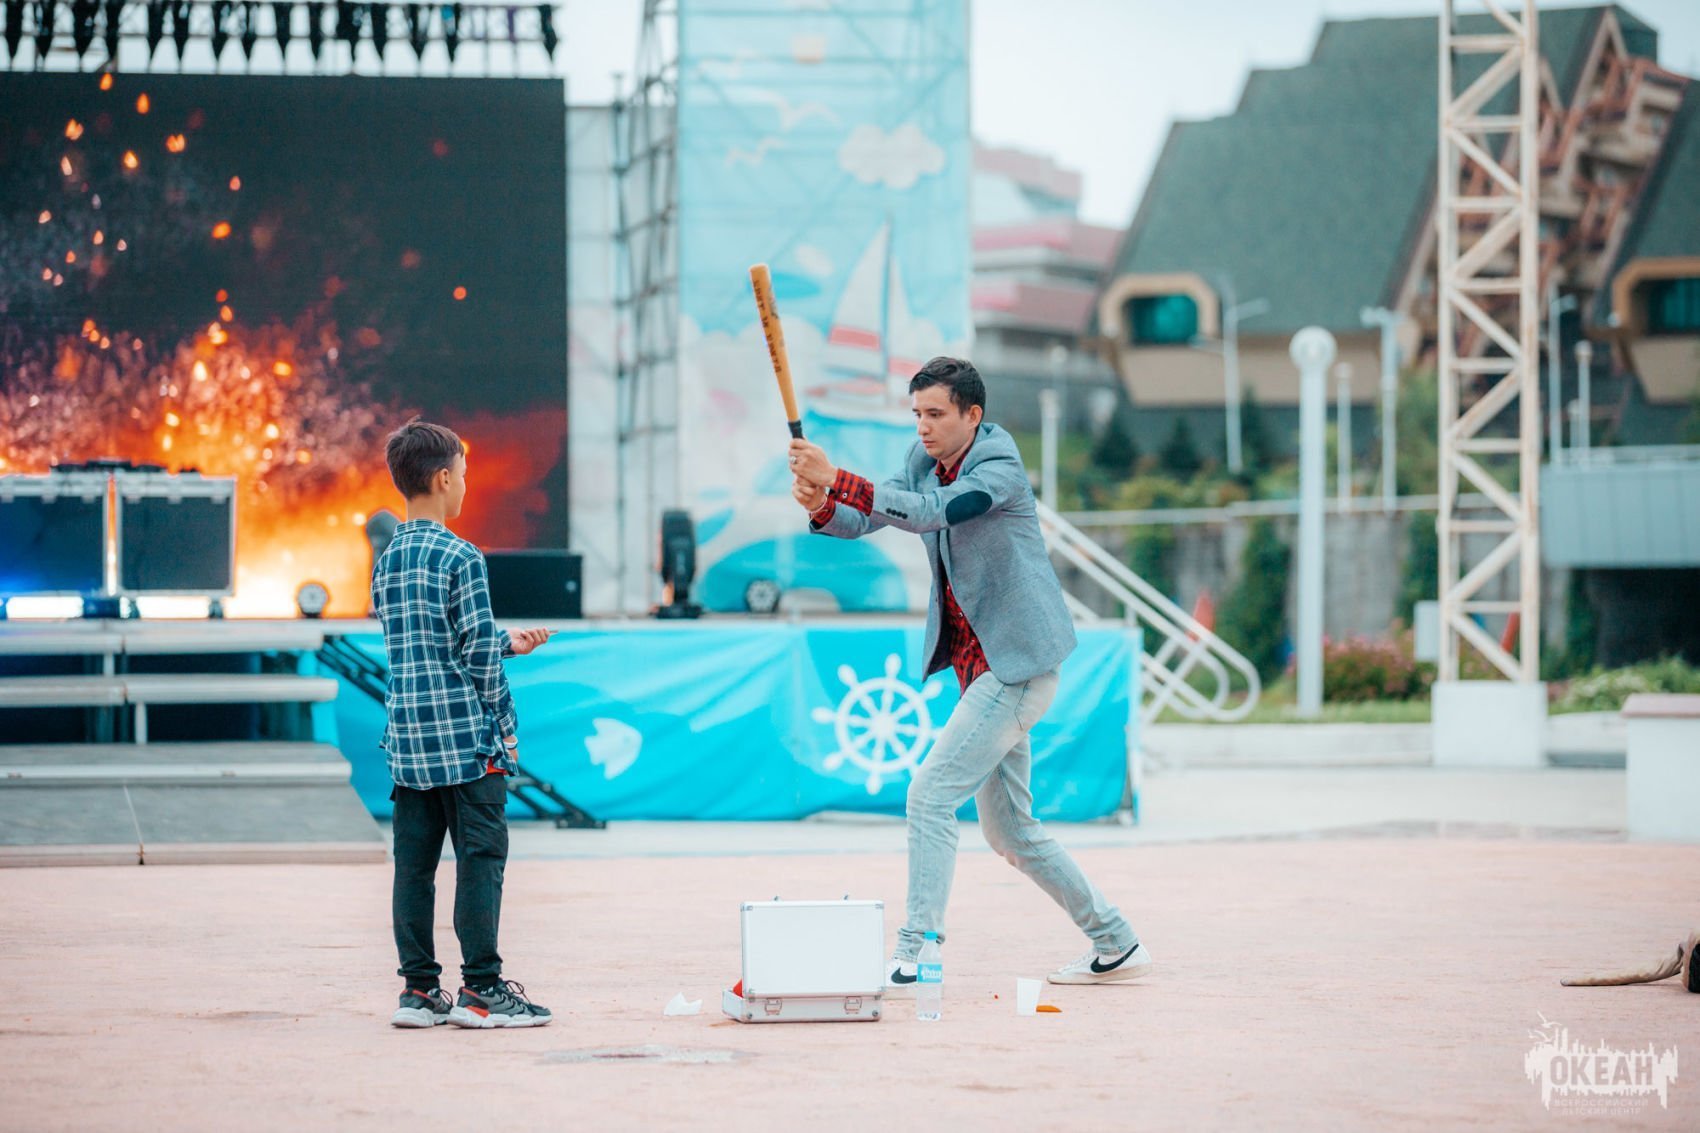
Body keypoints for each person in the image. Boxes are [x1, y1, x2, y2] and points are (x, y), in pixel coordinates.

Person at [788, 357, 1151, 987]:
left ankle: (916, 951)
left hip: (1017, 668)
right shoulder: (922, 459)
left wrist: (838, 477)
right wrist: (823, 502)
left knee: (929, 796)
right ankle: (1115, 940)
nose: (922, 427)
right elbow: (872, 517)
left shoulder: (998, 467)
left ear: (972, 415)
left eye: (935, 414)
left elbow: (932, 512)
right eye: (917, 414)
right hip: (983, 671)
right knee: (1012, 834)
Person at [373, 418, 554, 1028]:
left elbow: (428, 645)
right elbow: (474, 655)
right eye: (465, 475)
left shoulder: (387, 560)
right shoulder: (463, 556)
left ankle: (419, 992)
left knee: (414, 870)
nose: (466, 486)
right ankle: (481, 989)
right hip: (466, 744)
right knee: (481, 859)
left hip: (409, 745)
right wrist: (505, 722)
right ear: (445, 478)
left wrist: (508, 642)